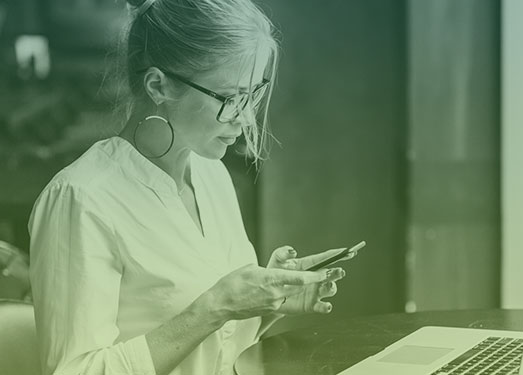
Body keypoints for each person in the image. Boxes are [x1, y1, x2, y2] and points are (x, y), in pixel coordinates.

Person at [27, 0, 355, 374]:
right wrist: (215, 306)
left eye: (254, 95)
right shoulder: (81, 200)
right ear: (158, 86)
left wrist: (267, 302)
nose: (245, 118)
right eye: (228, 99)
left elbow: (219, 351)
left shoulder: (211, 175)